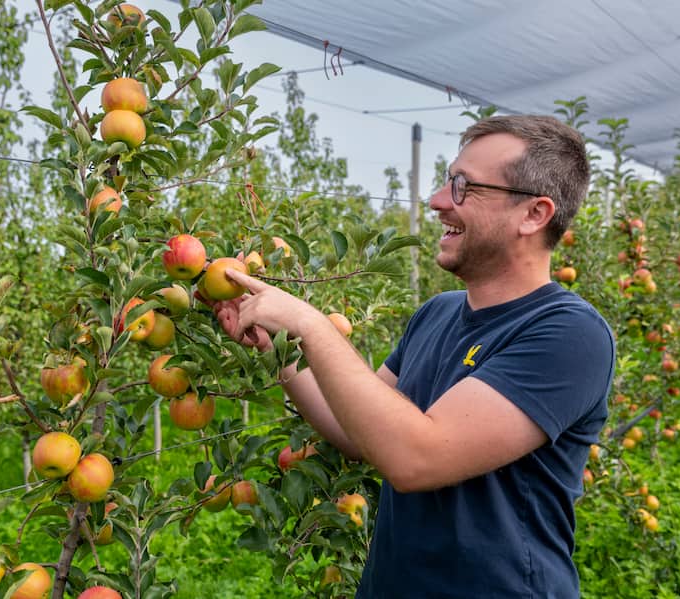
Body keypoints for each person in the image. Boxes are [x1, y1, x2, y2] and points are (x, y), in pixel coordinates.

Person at [211, 115, 615, 598]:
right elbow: (358, 434)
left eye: (464, 187)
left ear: (534, 214)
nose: (438, 200)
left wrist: (312, 326)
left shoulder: (569, 334)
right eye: (447, 181)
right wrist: (280, 351)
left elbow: (415, 458)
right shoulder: (438, 313)